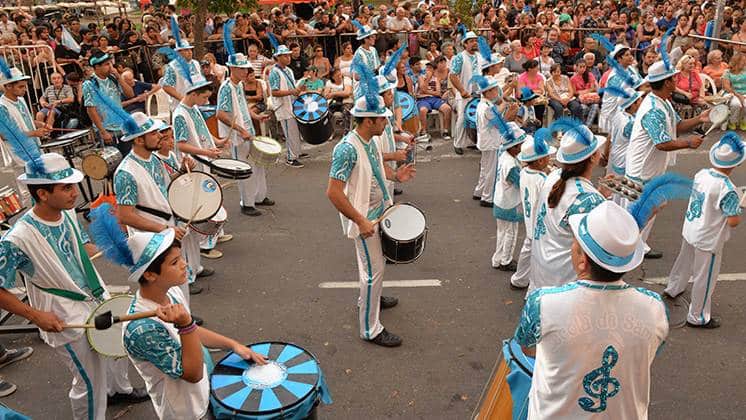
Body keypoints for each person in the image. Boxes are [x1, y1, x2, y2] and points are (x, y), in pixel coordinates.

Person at [0, 152, 149, 419]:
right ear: (43, 194)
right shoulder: (17, 238)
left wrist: (127, 252)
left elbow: (81, 249)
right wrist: (36, 316)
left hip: (94, 296)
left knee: (115, 348)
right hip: (62, 314)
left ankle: (118, 391)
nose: (74, 193)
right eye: (66, 187)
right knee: (89, 382)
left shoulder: (66, 213)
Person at [93, 225, 268, 419]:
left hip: (200, 396)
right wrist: (185, 325)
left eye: (181, 258)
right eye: (175, 262)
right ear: (150, 275)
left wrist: (233, 345)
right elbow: (192, 373)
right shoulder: (142, 330)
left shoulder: (171, 292)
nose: (184, 265)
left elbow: (194, 333)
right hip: (183, 412)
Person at [514, 200, 668, 418]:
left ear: (582, 261)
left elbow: (528, 349)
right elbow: (650, 351)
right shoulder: (655, 307)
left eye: (574, 245)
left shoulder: (542, 303)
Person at [326, 94, 416, 347]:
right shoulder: (346, 149)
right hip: (365, 220)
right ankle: (370, 328)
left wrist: (396, 176)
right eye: (383, 119)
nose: (387, 123)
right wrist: (361, 221)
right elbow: (333, 192)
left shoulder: (371, 140)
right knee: (374, 271)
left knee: (371, 268)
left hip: (379, 212)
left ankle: (369, 299)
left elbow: (377, 168)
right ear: (368, 121)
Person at [113, 112, 210, 304]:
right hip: (151, 237)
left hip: (168, 229)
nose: (160, 136)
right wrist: (165, 230)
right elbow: (125, 216)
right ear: (139, 140)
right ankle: (173, 323)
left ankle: (183, 317)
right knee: (162, 285)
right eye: (154, 133)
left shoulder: (155, 159)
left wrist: (182, 172)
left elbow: (164, 188)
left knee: (177, 280)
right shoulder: (125, 173)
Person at [626, 60, 710, 258]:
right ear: (666, 82)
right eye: (673, 77)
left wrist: (700, 119)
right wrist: (689, 144)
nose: (676, 80)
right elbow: (661, 143)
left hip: (650, 169)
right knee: (645, 210)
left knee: (651, 209)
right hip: (642, 170)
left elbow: (677, 126)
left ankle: (636, 246)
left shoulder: (663, 101)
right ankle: (627, 248)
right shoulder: (654, 108)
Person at [665, 132, 744, 329]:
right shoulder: (728, 188)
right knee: (704, 277)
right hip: (708, 239)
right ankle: (697, 316)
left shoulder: (702, 174)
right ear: (735, 164)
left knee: (683, 262)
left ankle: (673, 289)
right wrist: (739, 207)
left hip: (692, 228)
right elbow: (733, 221)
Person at [530, 121, 607, 290]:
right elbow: (607, 246)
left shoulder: (554, 177)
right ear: (593, 157)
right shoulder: (588, 198)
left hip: (542, 272)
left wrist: (600, 194)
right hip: (563, 283)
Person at [218, 49, 273, 216]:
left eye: (245, 68)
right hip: (238, 136)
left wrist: (256, 116)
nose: (245, 71)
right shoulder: (226, 88)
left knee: (258, 164)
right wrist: (241, 130)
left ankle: (259, 196)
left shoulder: (239, 85)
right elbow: (220, 114)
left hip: (248, 130)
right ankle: (247, 203)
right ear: (232, 68)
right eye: (241, 69)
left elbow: (243, 108)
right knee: (244, 168)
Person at [511, 128, 555, 289]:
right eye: (547, 157)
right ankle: (532, 289)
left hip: (529, 220)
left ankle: (518, 279)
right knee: (539, 257)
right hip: (539, 223)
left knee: (526, 251)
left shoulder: (524, 172)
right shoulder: (543, 179)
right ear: (540, 161)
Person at [0, 61, 47, 206]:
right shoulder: (2, 107)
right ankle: (31, 221)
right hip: (19, 153)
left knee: (41, 186)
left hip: (34, 148)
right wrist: (34, 133)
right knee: (27, 190)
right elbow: (5, 135)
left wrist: (39, 124)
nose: (24, 89)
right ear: (8, 86)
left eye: (24, 86)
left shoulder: (20, 99)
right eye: (20, 86)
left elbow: (24, 119)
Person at [82, 50, 135, 155]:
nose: (110, 67)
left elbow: (130, 94)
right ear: (97, 67)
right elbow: (91, 110)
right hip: (106, 129)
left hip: (122, 126)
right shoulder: (89, 84)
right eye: (107, 64)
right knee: (113, 160)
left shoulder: (113, 79)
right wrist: (103, 132)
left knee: (128, 156)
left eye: (110, 63)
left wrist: (119, 77)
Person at [491, 125, 526, 272]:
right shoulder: (511, 164)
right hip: (509, 202)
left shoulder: (504, 155)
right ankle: (506, 260)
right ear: (513, 147)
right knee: (511, 232)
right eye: (519, 146)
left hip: (500, 199)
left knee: (502, 232)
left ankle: (497, 259)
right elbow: (520, 182)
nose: (521, 148)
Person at [268, 39, 306, 167]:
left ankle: (296, 152)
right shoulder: (274, 72)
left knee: (295, 130)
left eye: (288, 55)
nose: (288, 57)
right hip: (283, 106)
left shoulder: (288, 70)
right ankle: (290, 157)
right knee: (289, 132)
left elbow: (292, 87)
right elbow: (274, 92)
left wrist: (297, 91)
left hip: (293, 103)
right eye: (285, 55)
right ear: (278, 57)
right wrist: (291, 92)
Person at [473, 75, 505, 206]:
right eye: (495, 90)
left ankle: (479, 191)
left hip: (485, 140)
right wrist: (503, 105)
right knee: (491, 170)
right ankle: (487, 197)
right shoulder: (487, 107)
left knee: (485, 168)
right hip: (491, 142)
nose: (497, 92)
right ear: (488, 92)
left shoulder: (483, 104)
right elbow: (497, 122)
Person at [160, 18, 203, 111]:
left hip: (197, 105)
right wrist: (183, 99)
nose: (189, 52)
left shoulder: (195, 63)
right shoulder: (172, 67)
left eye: (190, 49)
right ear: (179, 52)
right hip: (181, 107)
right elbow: (166, 86)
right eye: (186, 50)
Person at [449, 30, 481, 155]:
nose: (474, 43)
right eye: (471, 41)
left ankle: (471, 142)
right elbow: (453, 76)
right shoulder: (459, 57)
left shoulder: (479, 56)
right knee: (462, 118)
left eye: (475, 41)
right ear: (465, 44)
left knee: (476, 118)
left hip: (478, 93)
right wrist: (462, 90)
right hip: (464, 94)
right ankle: (457, 143)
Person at [599, 45, 643, 133]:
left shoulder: (631, 69)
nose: (631, 57)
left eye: (630, 54)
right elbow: (618, 99)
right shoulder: (615, 76)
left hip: (627, 109)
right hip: (613, 112)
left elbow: (641, 84)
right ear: (619, 59)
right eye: (627, 55)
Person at [416, 60, 451, 139]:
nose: (428, 69)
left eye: (430, 68)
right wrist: (428, 79)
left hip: (435, 99)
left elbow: (438, 93)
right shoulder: (421, 77)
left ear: (434, 70)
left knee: (447, 109)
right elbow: (421, 90)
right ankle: (424, 131)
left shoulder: (436, 79)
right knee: (423, 110)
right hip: (423, 99)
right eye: (427, 67)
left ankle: (445, 131)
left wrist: (426, 91)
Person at [571, 59, 601, 126]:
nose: (582, 69)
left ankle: (587, 126)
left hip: (591, 99)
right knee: (584, 108)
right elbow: (574, 92)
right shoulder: (573, 78)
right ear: (576, 67)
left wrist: (583, 92)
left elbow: (593, 88)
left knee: (595, 106)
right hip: (580, 100)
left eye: (584, 67)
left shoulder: (590, 75)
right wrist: (585, 91)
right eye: (580, 67)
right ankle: (582, 126)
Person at [517, 60, 546, 125]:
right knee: (531, 103)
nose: (537, 69)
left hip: (537, 98)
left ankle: (538, 125)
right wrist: (535, 91)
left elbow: (541, 90)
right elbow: (523, 92)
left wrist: (532, 91)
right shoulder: (522, 77)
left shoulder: (539, 77)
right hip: (525, 98)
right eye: (536, 67)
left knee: (540, 105)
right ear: (530, 69)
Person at [722, 52, 746, 130]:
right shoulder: (727, 72)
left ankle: (743, 120)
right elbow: (727, 87)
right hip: (732, 93)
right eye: (743, 61)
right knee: (736, 104)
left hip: (745, 92)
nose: (745, 62)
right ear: (737, 61)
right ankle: (732, 121)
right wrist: (738, 95)